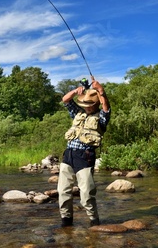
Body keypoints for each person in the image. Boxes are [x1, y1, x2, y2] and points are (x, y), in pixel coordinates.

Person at [57, 78, 111, 227]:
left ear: (95, 104)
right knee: (63, 191)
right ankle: (66, 223)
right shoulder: (77, 113)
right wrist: (76, 91)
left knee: (86, 194)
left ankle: (94, 223)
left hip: (85, 157)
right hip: (68, 155)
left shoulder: (101, 118)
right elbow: (65, 100)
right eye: (85, 104)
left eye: (89, 104)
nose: (86, 107)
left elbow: (106, 107)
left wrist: (100, 91)